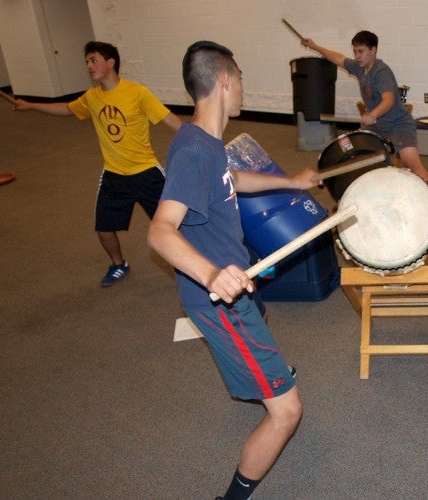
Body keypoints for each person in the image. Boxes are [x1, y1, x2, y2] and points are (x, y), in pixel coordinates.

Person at [148, 41, 319, 499]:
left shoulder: (205, 141)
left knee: (258, 316)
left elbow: (234, 180)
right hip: (217, 297)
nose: (243, 87)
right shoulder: (194, 153)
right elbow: (160, 231)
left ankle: (258, 370)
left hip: (236, 276)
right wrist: (210, 275)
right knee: (287, 412)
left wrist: (290, 180)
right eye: (240, 78)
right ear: (224, 80)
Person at [10, 41, 183, 287]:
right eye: (87, 62)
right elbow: (66, 109)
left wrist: (198, 137)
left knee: (174, 225)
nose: (89, 66)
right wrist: (31, 105)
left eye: (94, 60)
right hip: (114, 174)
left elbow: (169, 119)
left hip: (146, 172)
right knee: (103, 229)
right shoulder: (92, 97)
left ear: (111, 62)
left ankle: (190, 265)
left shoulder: (137, 92)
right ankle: (118, 264)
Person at [302, 30, 428, 182]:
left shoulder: (381, 71)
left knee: (412, 165)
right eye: (355, 51)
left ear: (373, 50)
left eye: (361, 51)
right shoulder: (360, 67)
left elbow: (388, 100)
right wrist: (315, 46)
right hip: (377, 126)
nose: (357, 56)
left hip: (399, 124)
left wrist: (373, 114)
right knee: (354, 151)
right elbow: (339, 58)